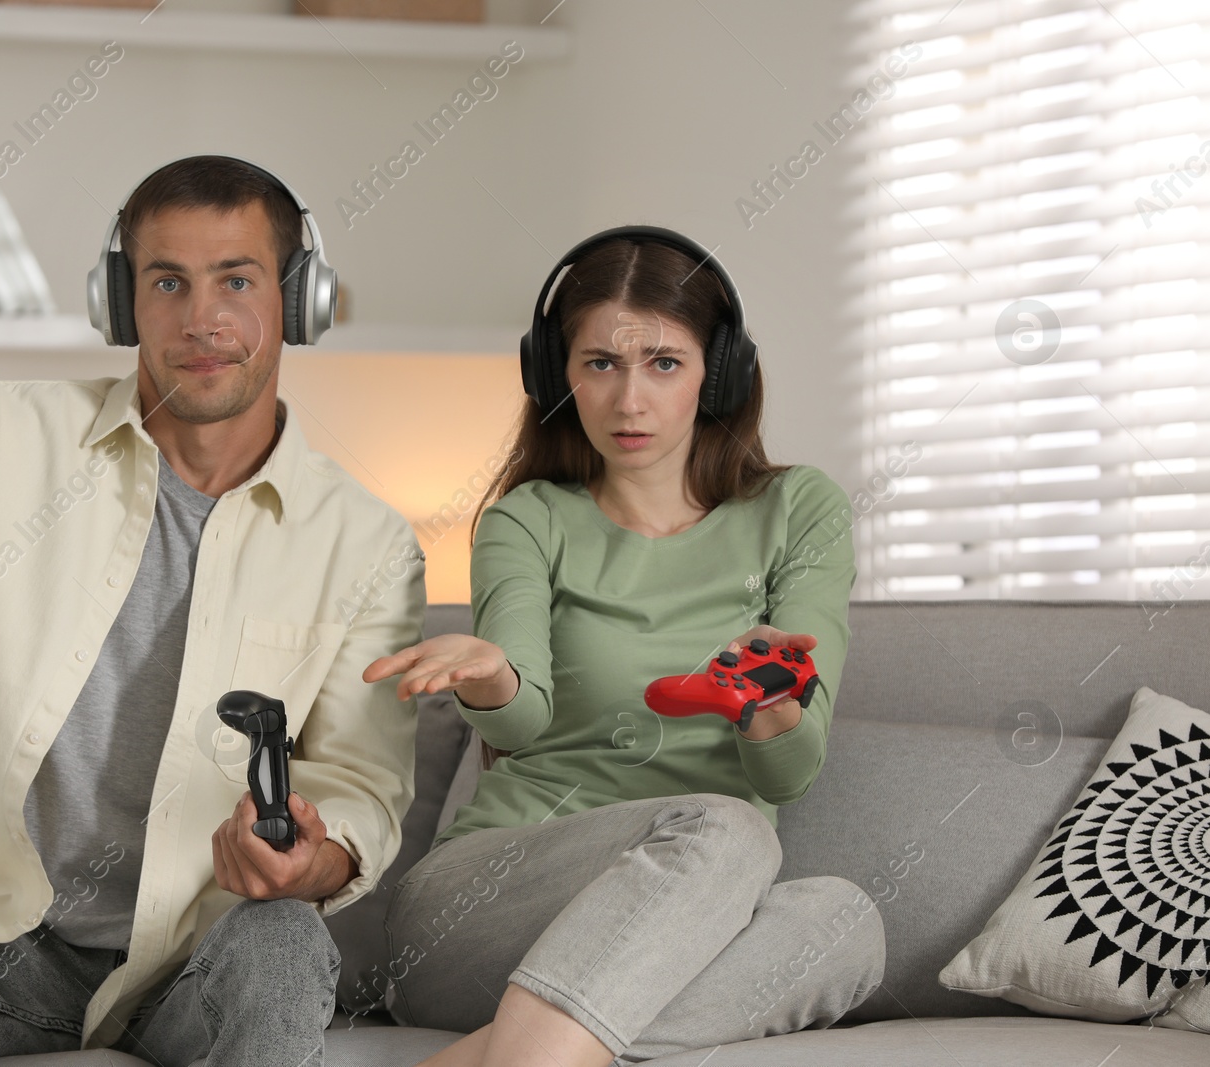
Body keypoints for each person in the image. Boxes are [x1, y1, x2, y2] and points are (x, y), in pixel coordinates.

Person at [0, 155, 426, 1067]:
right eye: (167, 281)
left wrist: (312, 860)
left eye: (237, 280)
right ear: (120, 302)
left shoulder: (369, 543)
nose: (203, 319)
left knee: (284, 941)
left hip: (196, 955)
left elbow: (363, 782)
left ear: (298, 300)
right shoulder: (11, 431)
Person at [363, 227, 884, 1066]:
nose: (629, 400)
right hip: (482, 903)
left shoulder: (800, 510)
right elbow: (522, 723)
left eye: (664, 364)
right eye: (600, 363)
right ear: (556, 374)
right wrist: (495, 675)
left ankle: (508, 1052)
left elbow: (788, 773)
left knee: (844, 922)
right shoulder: (525, 518)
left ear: (719, 372)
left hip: (667, 916)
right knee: (734, 834)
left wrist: (764, 705)